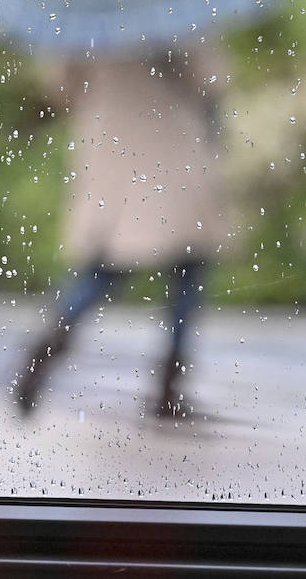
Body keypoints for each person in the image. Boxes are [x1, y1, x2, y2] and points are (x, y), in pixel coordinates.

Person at [15, 45, 231, 418]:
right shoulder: (179, 7)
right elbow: (209, 78)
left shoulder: (87, 19)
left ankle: (50, 341)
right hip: (172, 151)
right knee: (187, 273)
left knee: (104, 271)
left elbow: (62, 89)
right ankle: (169, 389)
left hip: (113, 152)